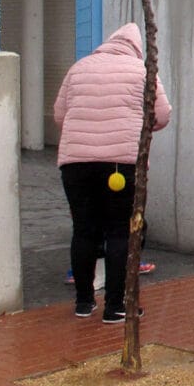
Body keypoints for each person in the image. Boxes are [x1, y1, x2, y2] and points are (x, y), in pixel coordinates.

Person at [53, 22, 172, 323]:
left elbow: (59, 115)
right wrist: (140, 124)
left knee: (84, 230)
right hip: (121, 165)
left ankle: (83, 302)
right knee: (121, 232)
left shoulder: (79, 68)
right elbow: (162, 115)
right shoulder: (142, 71)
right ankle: (116, 306)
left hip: (76, 164)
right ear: (136, 48)